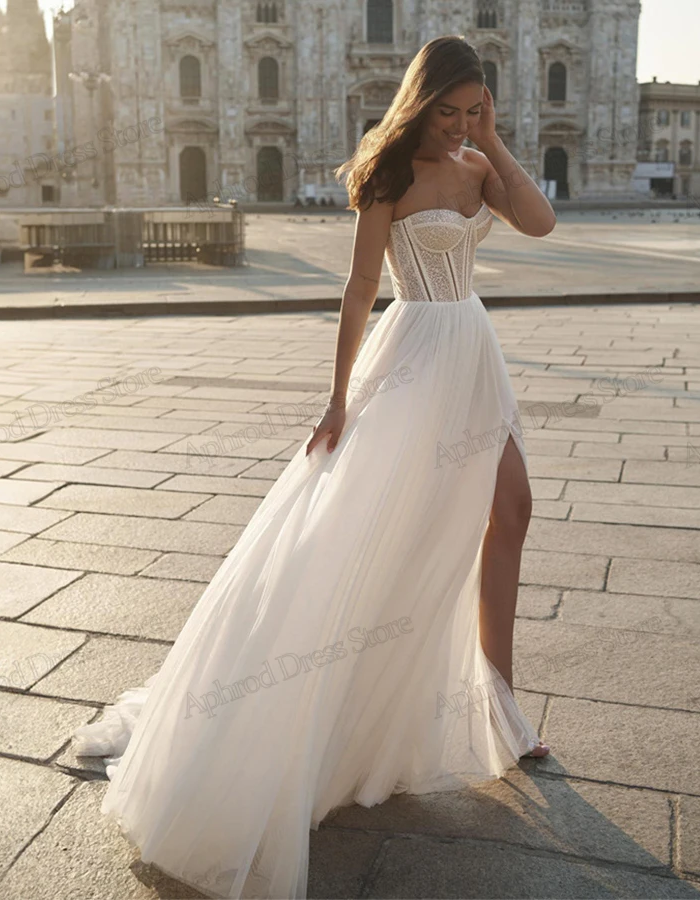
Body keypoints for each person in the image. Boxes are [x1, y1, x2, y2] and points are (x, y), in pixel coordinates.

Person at [72, 34, 557, 900]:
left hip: (474, 352)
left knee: (510, 513)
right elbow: (361, 289)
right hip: (413, 356)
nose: (458, 126)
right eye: (447, 111)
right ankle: (331, 699)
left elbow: (542, 222)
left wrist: (496, 138)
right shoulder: (387, 176)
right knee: (378, 530)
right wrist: (338, 399)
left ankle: (501, 707)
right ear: (419, 102)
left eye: (471, 110)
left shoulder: (483, 166)